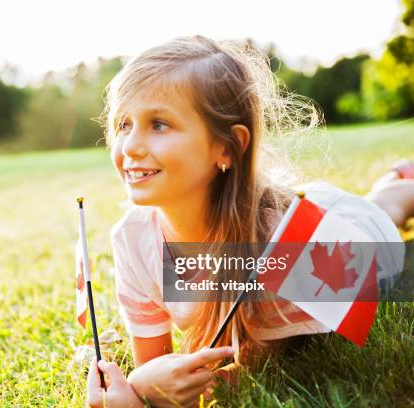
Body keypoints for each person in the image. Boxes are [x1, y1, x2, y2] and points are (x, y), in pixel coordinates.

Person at [86, 35, 414, 408]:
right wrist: (137, 387)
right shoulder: (132, 238)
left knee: (383, 212)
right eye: (124, 124)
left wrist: (141, 390)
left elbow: (241, 377)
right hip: (275, 201)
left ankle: (399, 186)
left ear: (226, 148)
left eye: (158, 124)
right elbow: (159, 365)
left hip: (347, 244)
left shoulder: (277, 247)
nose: (130, 146)